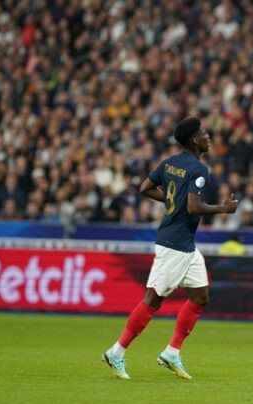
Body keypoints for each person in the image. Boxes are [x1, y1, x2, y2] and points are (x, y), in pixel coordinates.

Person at [102, 117, 238, 380]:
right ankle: (116, 352)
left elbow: (145, 188)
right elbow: (193, 207)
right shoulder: (199, 170)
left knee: (201, 297)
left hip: (186, 245)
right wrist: (223, 208)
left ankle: (171, 352)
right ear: (194, 140)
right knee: (153, 300)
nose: (208, 135)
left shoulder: (169, 163)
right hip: (175, 245)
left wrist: (171, 197)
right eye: (203, 132)